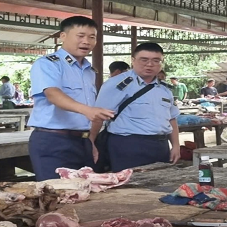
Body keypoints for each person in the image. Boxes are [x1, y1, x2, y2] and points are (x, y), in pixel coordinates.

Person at [28, 16, 114, 180]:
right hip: (53, 141)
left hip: (83, 141)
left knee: (85, 193)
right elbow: (52, 94)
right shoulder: (48, 64)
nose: (86, 41)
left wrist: (91, 142)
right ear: (63, 36)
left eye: (92, 37)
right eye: (80, 36)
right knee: (56, 195)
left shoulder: (89, 71)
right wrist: (86, 110)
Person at [90, 43, 181, 172]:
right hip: (128, 145)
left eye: (156, 61)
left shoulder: (164, 89)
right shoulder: (116, 84)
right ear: (133, 60)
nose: (150, 64)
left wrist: (176, 146)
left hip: (160, 145)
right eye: (144, 60)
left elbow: (172, 119)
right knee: (129, 188)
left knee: (161, 187)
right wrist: (91, 143)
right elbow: (98, 116)